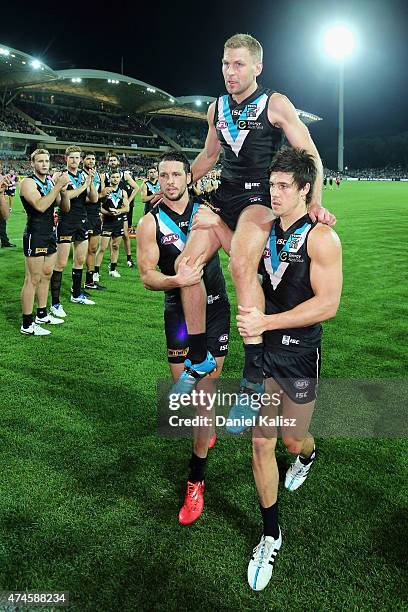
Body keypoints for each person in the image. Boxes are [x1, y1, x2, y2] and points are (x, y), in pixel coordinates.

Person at [170, 33, 335, 400]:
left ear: (257, 67)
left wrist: (314, 204)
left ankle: (253, 370)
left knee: (242, 265)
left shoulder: (274, 103)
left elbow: (311, 155)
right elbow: (208, 157)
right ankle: (198, 355)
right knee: (186, 266)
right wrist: (178, 183)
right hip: (224, 195)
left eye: (238, 64)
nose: (230, 71)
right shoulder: (215, 108)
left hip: (258, 199)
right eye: (225, 64)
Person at [234, 147, 342, 591]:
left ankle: (307, 454)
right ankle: (270, 533)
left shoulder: (321, 238)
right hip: (264, 351)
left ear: (304, 190)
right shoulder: (261, 229)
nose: (274, 193)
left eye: (283, 186)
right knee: (262, 441)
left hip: (298, 351)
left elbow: (328, 304)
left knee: (293, 439)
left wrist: (268, 322)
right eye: (271, 185)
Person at [137, 151, 231, 525]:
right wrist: (174, 281)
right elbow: (146, 274)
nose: (171, 181)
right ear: (157, 179)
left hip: (215, 309)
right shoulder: (149, 223)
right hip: (177, 313)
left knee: (205, 397)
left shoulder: (209, 212)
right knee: (189, 395)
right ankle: (203, 431)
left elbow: (239, 248)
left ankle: (195, 480)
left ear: (189, 176)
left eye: (177, 174)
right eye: (164, 175)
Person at [19, 149, 71, 335]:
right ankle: (27, 324)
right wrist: (57, 187)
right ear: (32, 163)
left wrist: (63, 192)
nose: (44, 164)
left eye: (47, 161)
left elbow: (64, 208)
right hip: (36, 233)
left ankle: (41, 314)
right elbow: (40, 206)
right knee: (32, 279)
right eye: (40, 161)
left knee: (46, 275)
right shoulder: (27, 183)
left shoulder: (49, 182)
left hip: (50, 233)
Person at [50, 145, 98, 317]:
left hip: (82, 219)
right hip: (66, 220)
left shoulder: (84, 176)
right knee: (61, 263)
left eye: (77, 158)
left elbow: (93, 199)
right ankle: (55, 304)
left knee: (80, 259)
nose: (75, 160)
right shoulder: (60, 176)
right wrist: (84, 186)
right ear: (66, 159)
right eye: (71, 157)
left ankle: (76, 294)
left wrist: (90, 184)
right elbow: (65, 197)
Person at [101, 154, 138, 269]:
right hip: (110, 208)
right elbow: (102, 191)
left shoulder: (124, 175)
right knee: (113, 236)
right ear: (108, 162)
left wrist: (128, 201)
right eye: (110, 160)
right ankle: (112, 261)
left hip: (122, 209)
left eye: (114, 160)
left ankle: (129, 258)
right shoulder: (105, 176)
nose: (112, 162)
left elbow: (136, 187)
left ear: (118, 162)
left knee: (125, 235)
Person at [94, 170, 129, 278]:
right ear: (109, 179)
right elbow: (98, 207)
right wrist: (108, 213)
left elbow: (127, 208)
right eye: (113, 177)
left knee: (115, 246)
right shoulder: (105, 191)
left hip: (118, 222)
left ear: (120, 179)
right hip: (107, 222)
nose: (115, 179)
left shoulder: (123, 192)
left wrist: (119, 211)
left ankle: (113, 269)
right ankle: (95, 272)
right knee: (102, 248)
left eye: (117, 177)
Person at [82, 151, 107, 291]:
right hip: (84, 215)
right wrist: (99, 195)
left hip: (96, 215)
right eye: (88, 158)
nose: (91, 161)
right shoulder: (81, 175)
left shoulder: (97, 175)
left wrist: (104, 191)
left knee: (92, 248)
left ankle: (89, 281)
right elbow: (79, 197)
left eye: (93, 158)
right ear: (83, 160)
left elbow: (101, 197)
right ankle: (79, 284)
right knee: (82, 251)